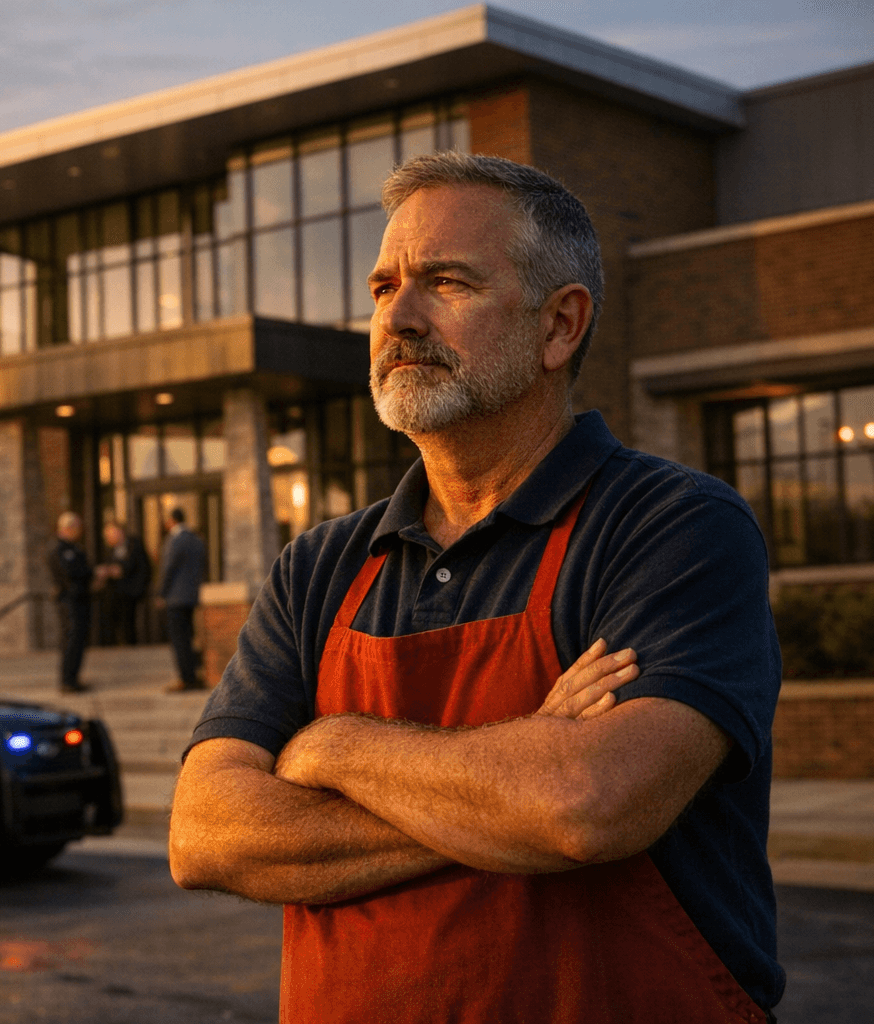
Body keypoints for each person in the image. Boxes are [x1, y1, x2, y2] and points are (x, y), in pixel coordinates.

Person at [168, 152, 783, 1022]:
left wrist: (334, 749)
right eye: (383, 288)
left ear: (560, 326)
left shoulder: (675, 528)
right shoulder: (317, 567)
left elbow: (586, 807)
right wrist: (514, 775)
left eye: (446, 281)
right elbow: (206, 836)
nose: (399, 319)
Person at [157, 507, 208, 692]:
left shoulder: (175, 539)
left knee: (179, 640)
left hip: (175, 598)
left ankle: (186, 678)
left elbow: (168, 568)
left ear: (171, 520)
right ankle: (193, 674)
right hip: (192, 596)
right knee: (189, 637)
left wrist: (160, 593)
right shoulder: (197, 539)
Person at [48, 511, 93, 693]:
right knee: (71, 640)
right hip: (70, 601)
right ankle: (68, 680)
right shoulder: (60, 549)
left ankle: (73, 678)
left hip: (79, 599)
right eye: (77, 528)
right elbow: (72, 573)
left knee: (78, 640)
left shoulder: (74, 548)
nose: (79, 531)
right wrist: (90, 574)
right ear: (68, 528)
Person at [99, 521, 151, 645]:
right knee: (111, 622)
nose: (108, 539)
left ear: (119, 532)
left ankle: (131, 645)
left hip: (131, 593)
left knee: (129, 624)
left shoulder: (134, 545)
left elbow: (139, 567)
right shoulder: (110, 550)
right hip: (115, 594)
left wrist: (119, 570)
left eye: (110, 535)